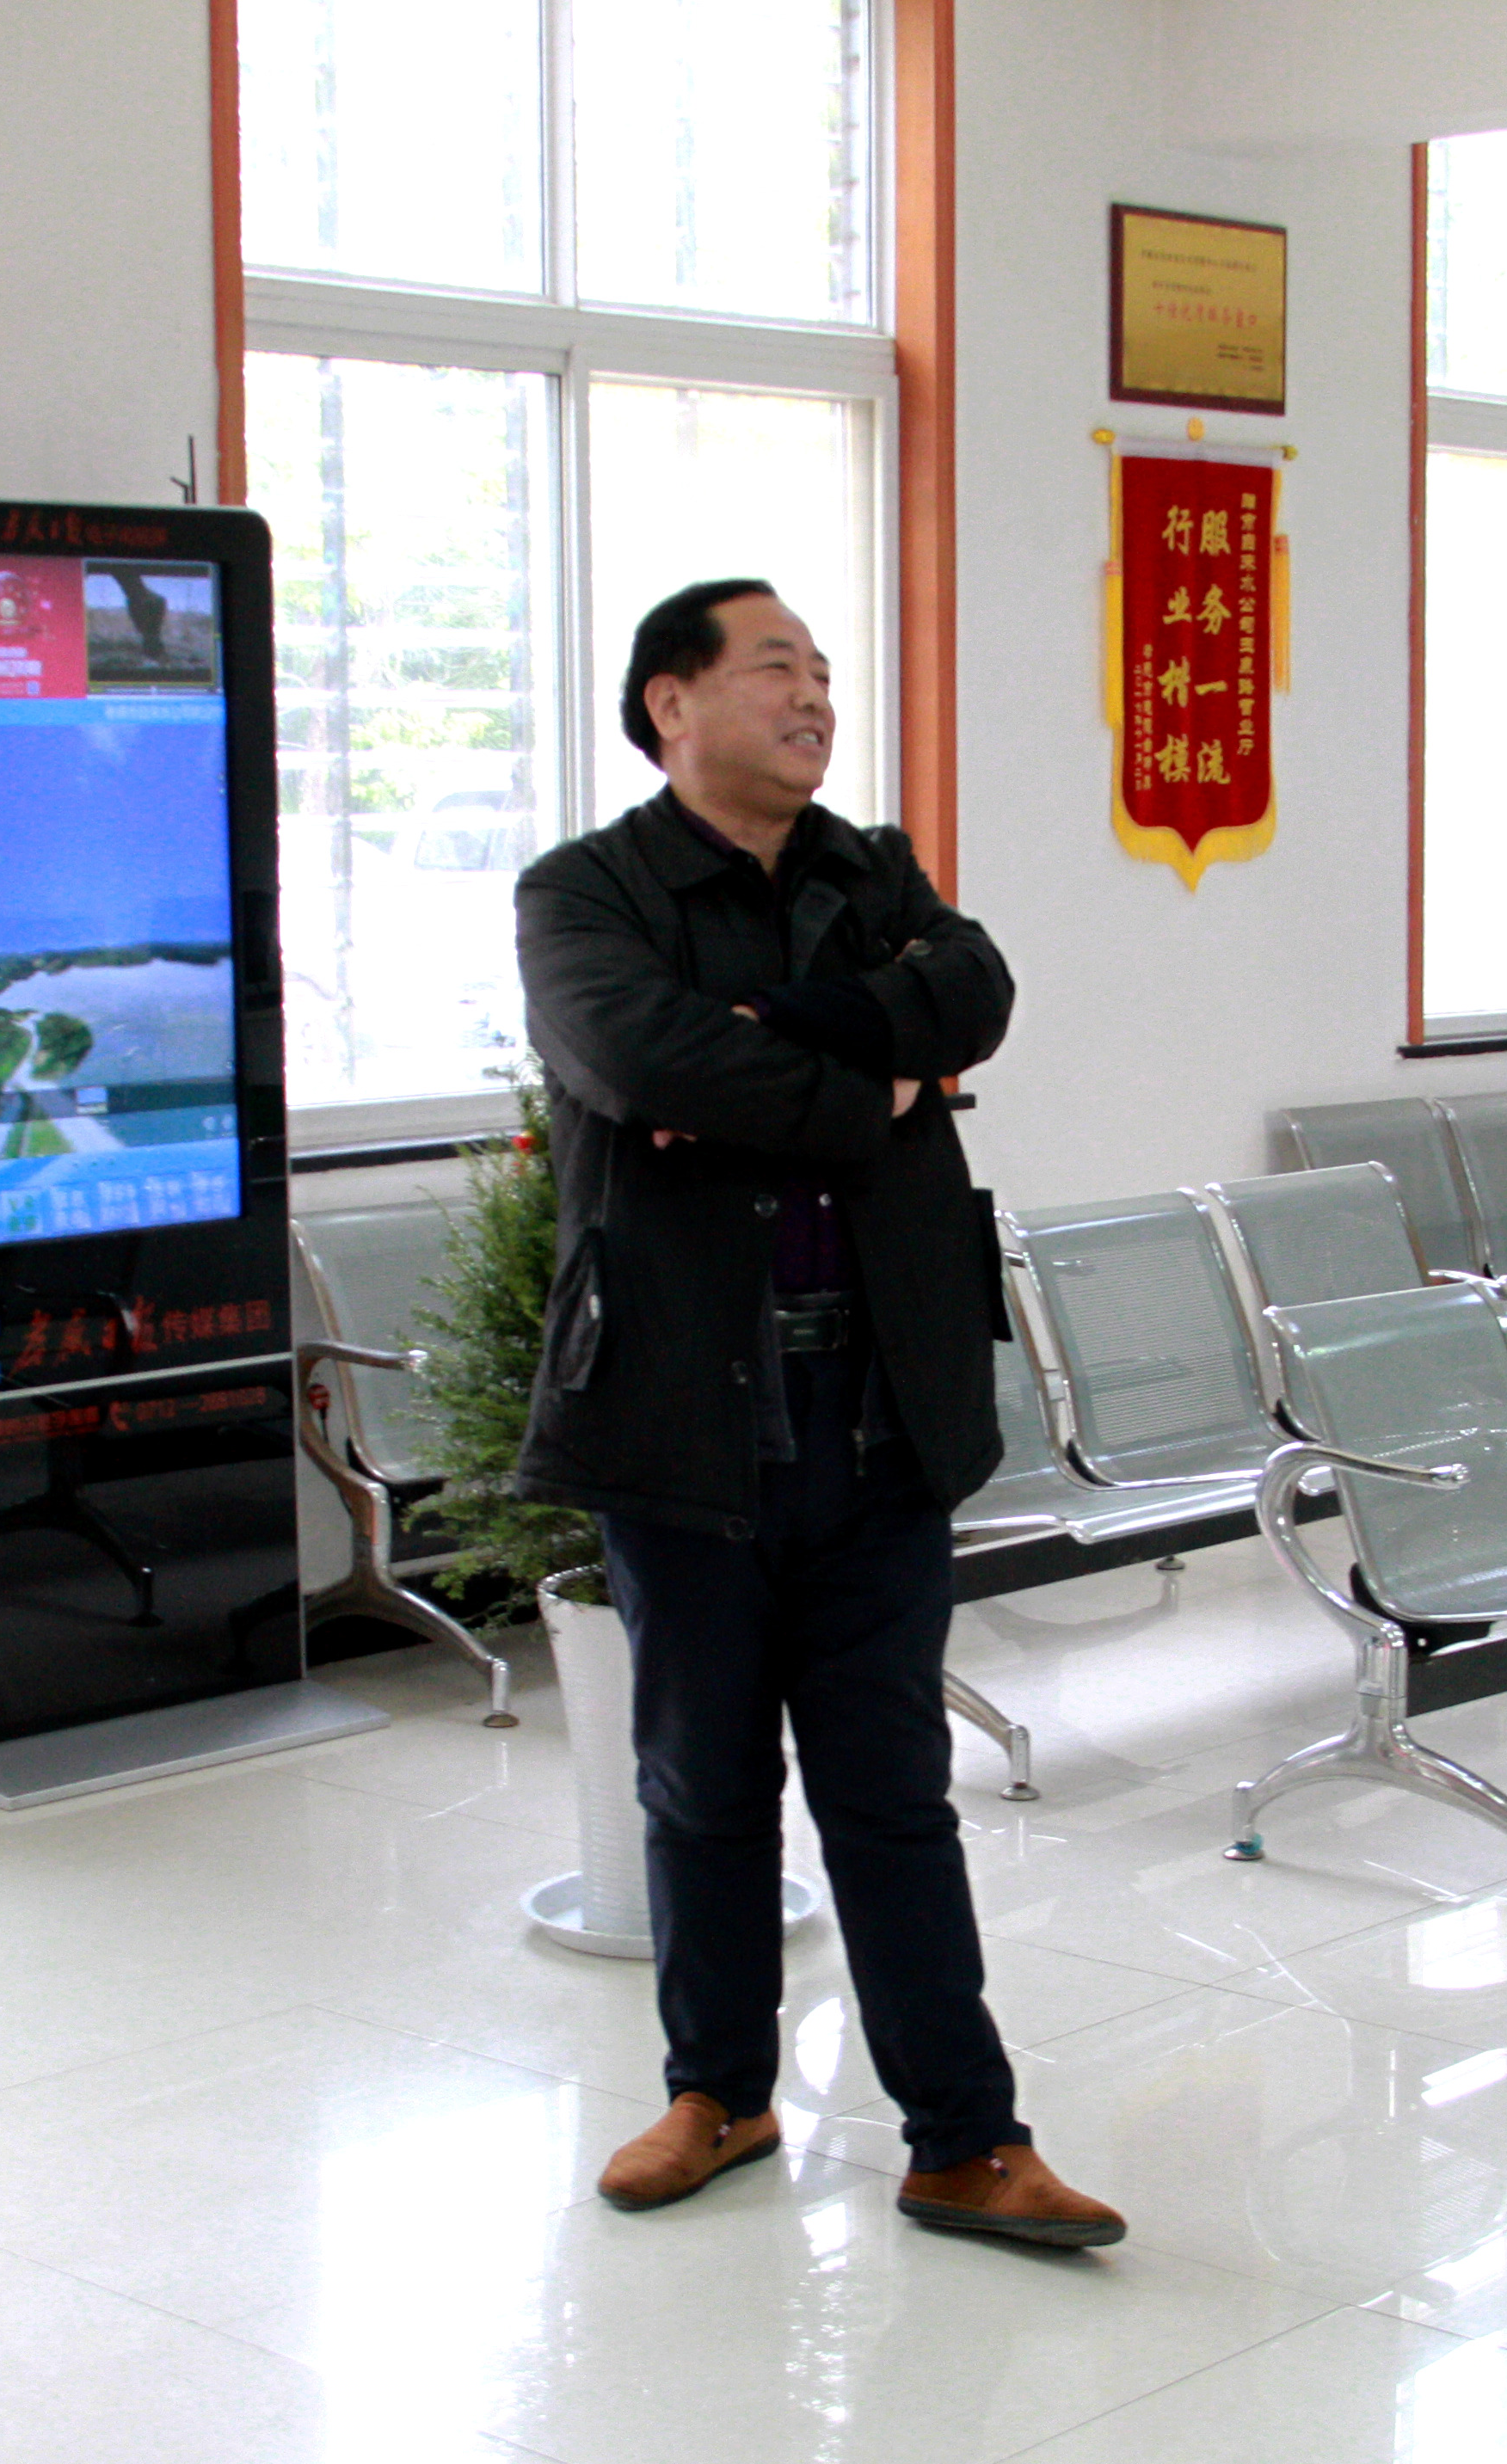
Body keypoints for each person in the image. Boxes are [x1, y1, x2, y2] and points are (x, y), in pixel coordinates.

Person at [516, 577, 1117, 2247]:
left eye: (825, 674)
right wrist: (889, 1084)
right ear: (671, 704)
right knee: (701, 1781)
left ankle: (964, 2138)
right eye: (776, 667)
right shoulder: (585, 893)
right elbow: (651, 1064)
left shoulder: (872, 871)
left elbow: (975, 994)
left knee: (891, 1789)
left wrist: (781, 1034)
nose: (814, 699)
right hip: (684, 1407)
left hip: (880, 1402)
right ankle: (717, 2093)